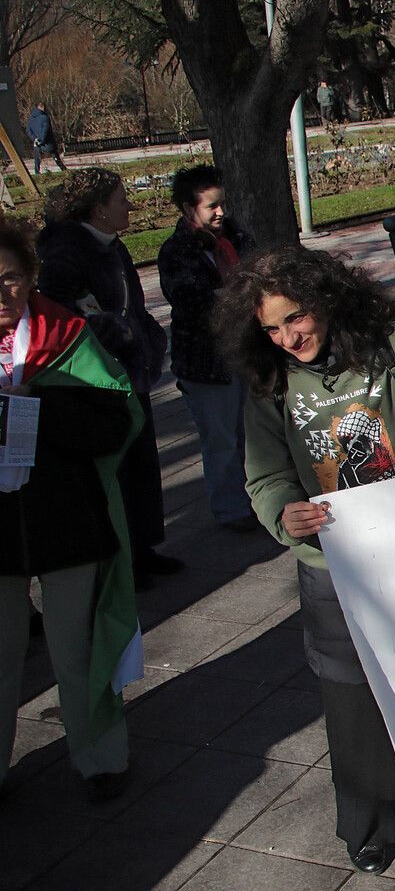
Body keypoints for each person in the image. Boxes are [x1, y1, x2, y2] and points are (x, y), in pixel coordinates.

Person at [218, 245, 395, 875]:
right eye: (272, 329)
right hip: (332, 568)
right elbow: (266, 477)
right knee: (351, 700)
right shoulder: (270, 381)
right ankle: (369, 822)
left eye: (296, 317)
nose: (289, 338)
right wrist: (285, 514)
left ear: (327, 300)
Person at [0, 219, 140, 804]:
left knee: (76, 650)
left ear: (30, 276)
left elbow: (115, 425)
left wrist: (40, 408)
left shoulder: (68, 337)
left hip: (67, 522)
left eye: (10, 278)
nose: (1, 294)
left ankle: (99, 758)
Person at [36, 169, 179, 585]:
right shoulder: (67, 253)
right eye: (121, 199)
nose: (130, 206)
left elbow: (131, 304)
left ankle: (143, 548)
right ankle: (122, 563)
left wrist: (147, 337)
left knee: (141, 466)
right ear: (99, 209)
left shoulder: (111, 245)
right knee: (116, 473)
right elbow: (63, 317)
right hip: (98, 381)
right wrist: (120, 334)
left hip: (129, 373)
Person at [156, 164, 258, 532]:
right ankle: (232, 509)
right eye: (211, 206)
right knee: (221, 439)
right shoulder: (177, 251)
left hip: (244, 351)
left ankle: (257, 500)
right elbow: (192, 302)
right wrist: (235, 297)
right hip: (206, 362)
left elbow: (258, 279)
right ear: (189, 209)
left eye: (222, 204)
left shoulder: (237, 238)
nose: (220, 212)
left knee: (251, 434)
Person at [26, 102, 66, 175]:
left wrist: (35, 139)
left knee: (37, 158)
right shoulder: (45, 117)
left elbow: (29, 130)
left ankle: (37, 172)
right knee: (54, 155)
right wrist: (42, 140)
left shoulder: (30, 119)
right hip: (47, 142)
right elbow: (45, 130)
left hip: (36, 142)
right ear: (43, 108)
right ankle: (63, 169)